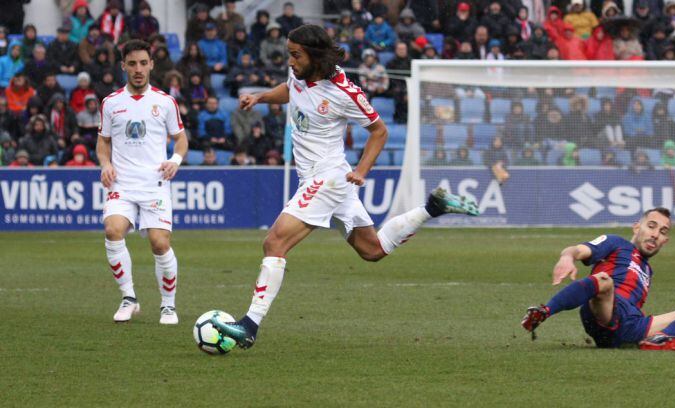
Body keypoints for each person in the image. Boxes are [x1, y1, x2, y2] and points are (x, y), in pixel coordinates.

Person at [210, 25, 479, 349]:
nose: (291, 61)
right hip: (322, 179)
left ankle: (249, 325)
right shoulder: (299, 72)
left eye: (296, 55)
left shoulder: (345, 92)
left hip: (328, 179)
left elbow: (378, 130)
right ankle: (432, 207)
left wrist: (362, 169)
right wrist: (262, 97)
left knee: (274, 243)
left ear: (315, 55)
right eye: (289, 54)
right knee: (372, 250)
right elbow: (291, 89)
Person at [521, 208, 675, 351]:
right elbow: (578, 250)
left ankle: (659, 339)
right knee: (604, 280)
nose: (655, 234)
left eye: (663, 232)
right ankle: (544, 312)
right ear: (637, 227)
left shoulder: (647, 269)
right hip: (604, 311)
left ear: (665, 241)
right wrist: (567, 257)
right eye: (651, 226)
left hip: (632, 325)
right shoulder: (616, 243)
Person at [96, 39, 188, 325]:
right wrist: (105, 164)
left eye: (143, 63)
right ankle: (129, 298)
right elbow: (102, 143)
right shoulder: (111, 103)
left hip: (154, 184)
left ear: (151, 65)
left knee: (159, 244)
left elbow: (181, 140)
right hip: (122, 184)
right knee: (113, 230)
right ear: (123, 66)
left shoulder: (165, 102)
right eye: (132, 63)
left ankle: (168, 306)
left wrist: (175, 160)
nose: (138, 69)